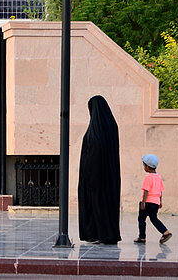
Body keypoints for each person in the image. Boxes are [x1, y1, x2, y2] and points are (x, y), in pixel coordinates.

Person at [78, 95, 121, 244]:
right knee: (106, 205)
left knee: (95, 204)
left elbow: (92, 156)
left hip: (94, 179)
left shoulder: (95, 131)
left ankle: (98, 234)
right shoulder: (111, 126)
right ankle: (105, 233)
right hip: (109, 178)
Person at [134, 154, 172, 244]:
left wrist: (143, 203)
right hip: (155, 202)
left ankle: (142, 237)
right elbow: (161, 190)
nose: (144, 167)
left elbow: (146, 191)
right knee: (154, 218)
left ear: (147, 166)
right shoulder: (158, 177)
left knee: (141, 219)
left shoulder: (148, 177)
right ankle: (165, 232)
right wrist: (160, 201)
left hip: (147, 202)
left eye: (144, 165)